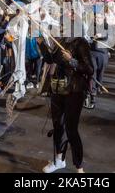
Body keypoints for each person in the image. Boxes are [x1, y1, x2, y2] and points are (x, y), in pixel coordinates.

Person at [37, 32, 94, 173]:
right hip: (58, 89)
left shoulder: (81, 42)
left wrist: (72, 60)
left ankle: (79, 167)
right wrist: (42, 45)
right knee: (58, 126)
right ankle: (59, 160)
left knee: (71, 129)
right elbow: (51, 60)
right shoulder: (61, 40)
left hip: (74, 91)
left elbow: (89, 69)